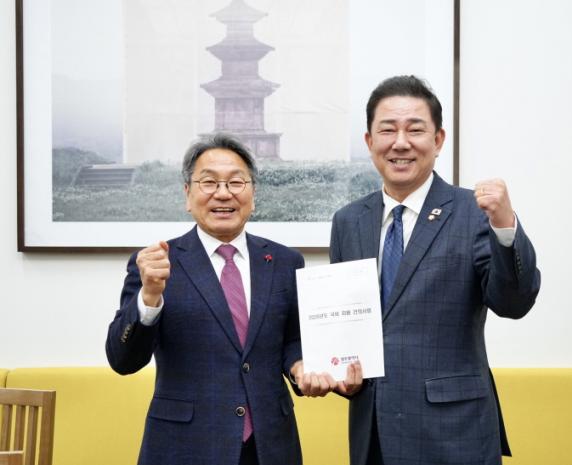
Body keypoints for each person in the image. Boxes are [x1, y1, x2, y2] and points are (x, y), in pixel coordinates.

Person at [105, 133, 357, 465]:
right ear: (187, 194)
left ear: (253, 194)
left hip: (270, 445)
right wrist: (150, 295)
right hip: (185, 446)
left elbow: (292, 341)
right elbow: (123, 360)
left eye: (236, 182)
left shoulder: (285, 262)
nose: (223, 193)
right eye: (209, 182)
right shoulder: (158, 264)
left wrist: (300, 366)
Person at [330, 75, 541, 465]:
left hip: (455, 433)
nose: (400, 143)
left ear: (438, 140)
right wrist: (342, 371)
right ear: (369, 141)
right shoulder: (348, 221)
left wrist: (505, 226)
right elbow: (346, 327)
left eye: (415, 130)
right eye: (387, 130)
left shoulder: (474, 213)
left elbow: (513, 303)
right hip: (373, 433)